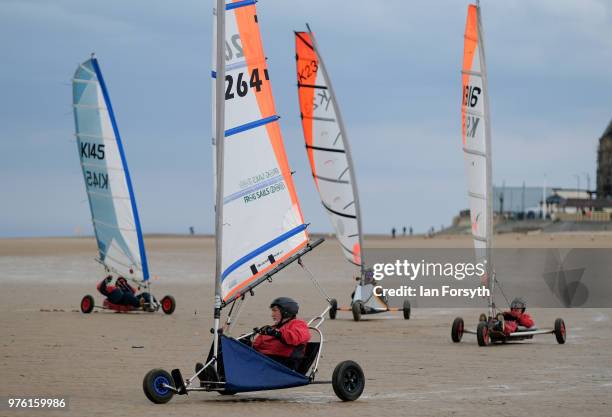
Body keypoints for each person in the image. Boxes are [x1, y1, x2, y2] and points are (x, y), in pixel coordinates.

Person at [252, 297, 310, 369]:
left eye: (275, 311)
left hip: (281, 363)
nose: (272, 315)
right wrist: (249, 343)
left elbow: (295, 338)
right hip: (264, 359)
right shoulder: (273, 328)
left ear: (285, 312)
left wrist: (277, 334)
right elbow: (256, 345)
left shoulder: (298, 324)